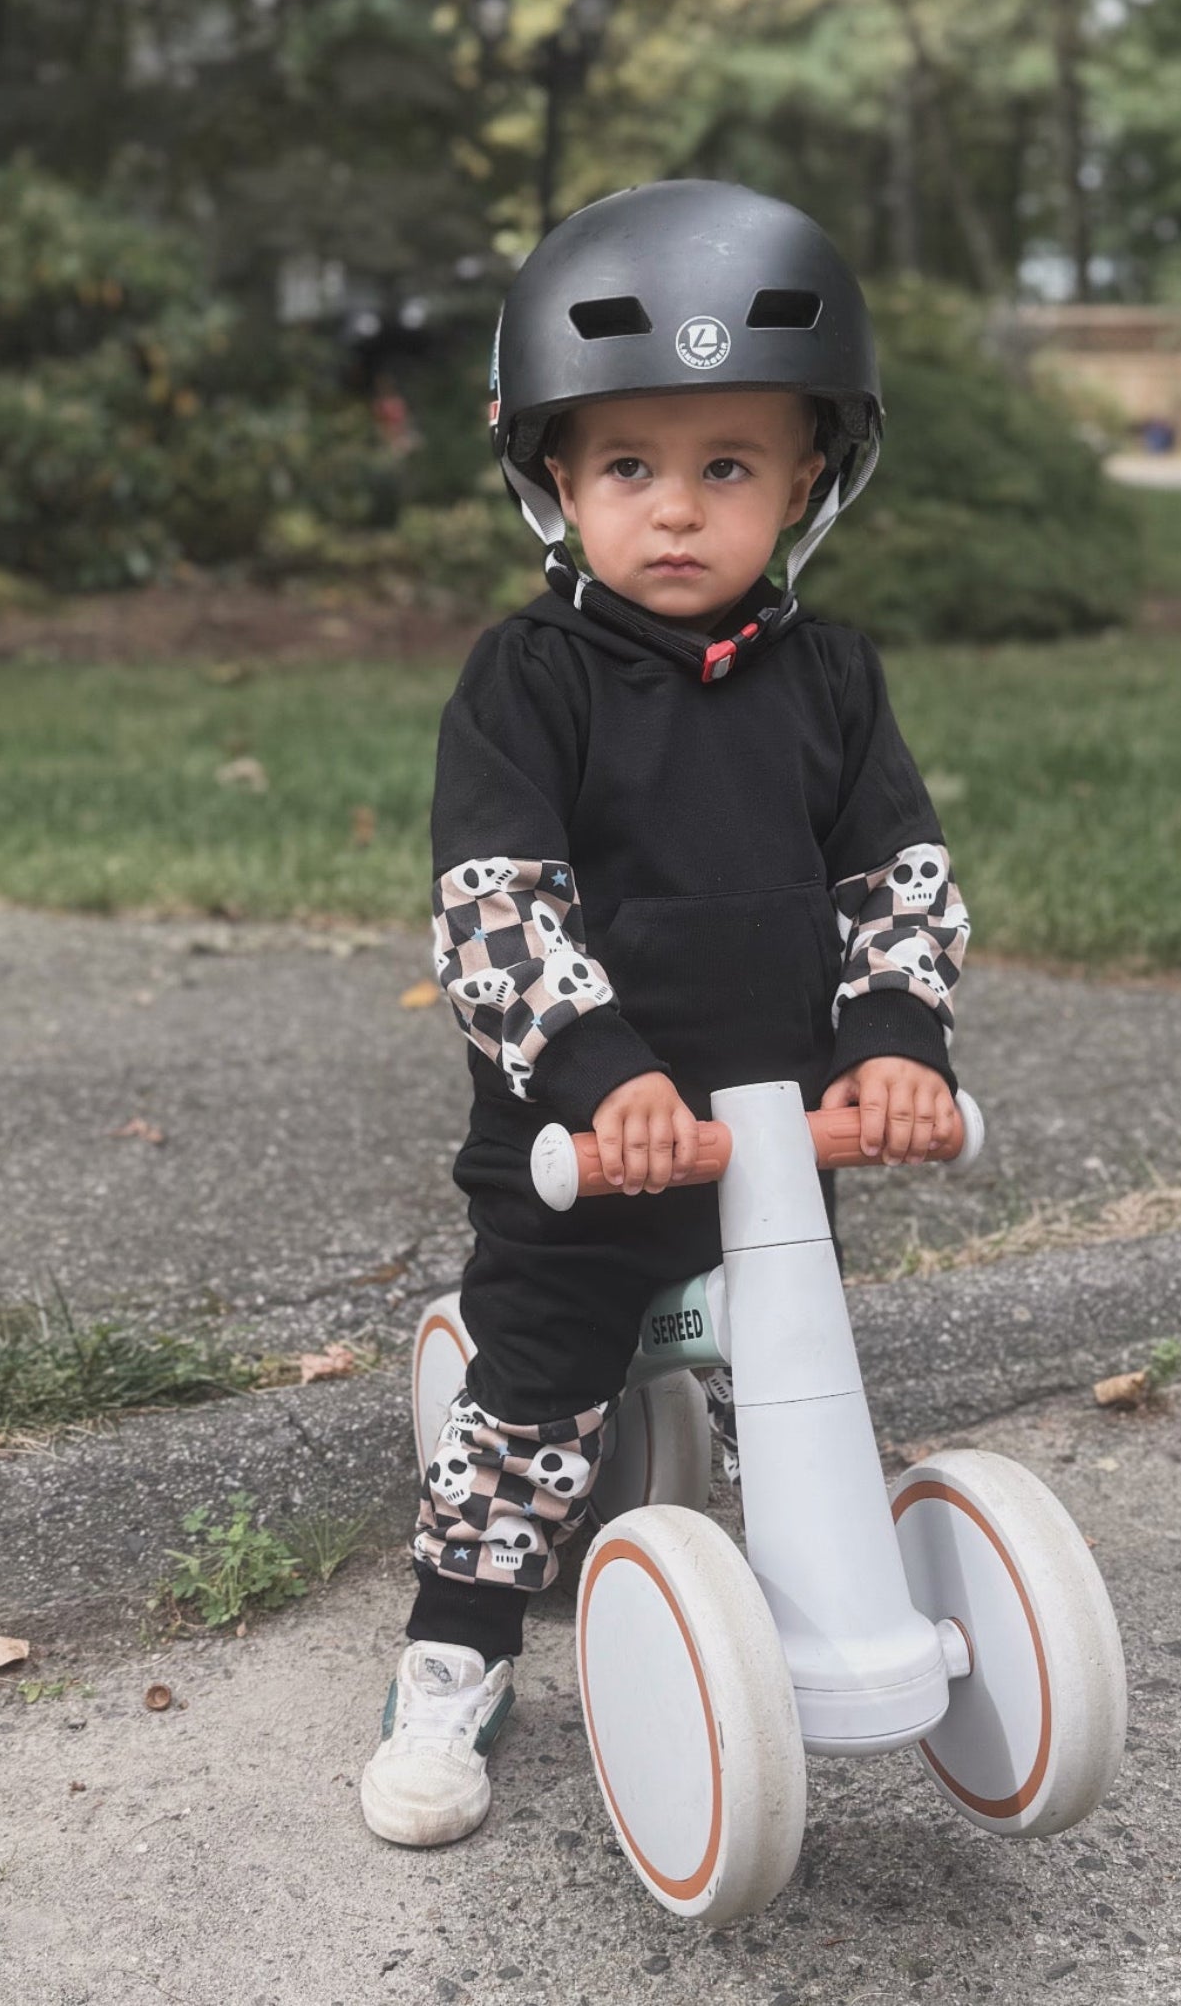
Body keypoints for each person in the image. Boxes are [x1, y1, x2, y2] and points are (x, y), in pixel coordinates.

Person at [359, 181, 971, 1848]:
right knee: (534, 1403)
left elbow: (895, 882)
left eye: (729, 466)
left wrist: (900, 1045)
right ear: (556, 480)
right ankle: (455, 1657)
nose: (678, 509)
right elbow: (498, 914)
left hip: (779, 1149)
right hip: (587, 1158)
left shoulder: (832, 682)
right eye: (631, 465)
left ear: (807, 481)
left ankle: (809, 1604)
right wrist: (596, 1075)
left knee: (805, 1399)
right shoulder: (527, 681)